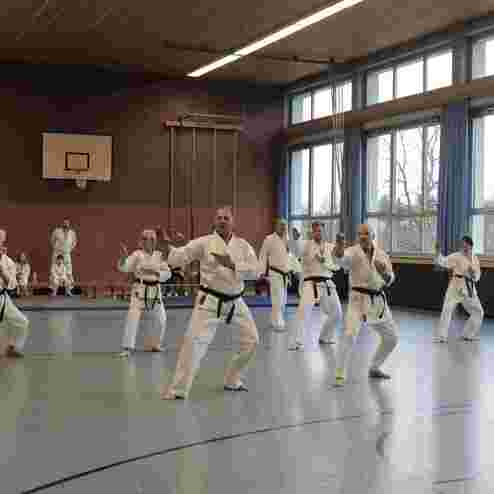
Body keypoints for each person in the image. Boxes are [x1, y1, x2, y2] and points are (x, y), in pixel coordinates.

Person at [161, 206, 259, 400]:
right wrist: (167, 248)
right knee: (193, 343)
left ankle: (233, 379)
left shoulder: (243, 246)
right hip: (210, 300)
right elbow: (181, 256)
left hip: (235, 301)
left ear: (233, 222)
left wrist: (232, 264)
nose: (222, 220)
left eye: (226, 218)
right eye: (219, 218)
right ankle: (178, 390)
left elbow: (256, 272)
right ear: (215, 222)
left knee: (252, 341)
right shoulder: (204, 242)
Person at [332, 225, 398, 387]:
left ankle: (374, 367)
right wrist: (339, 247)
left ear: (373, 236)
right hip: (358, 300)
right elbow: (340, 259)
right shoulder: (352, 252)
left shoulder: (382, 255)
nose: (362, 236)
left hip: (377, 302)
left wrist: (384, 273)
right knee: (349, 335)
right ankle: (340, 373)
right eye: (360, 234)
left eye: (366, 233)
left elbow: (390, 279)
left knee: (392, 338)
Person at [288, 222, 342, 350]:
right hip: (310, 283)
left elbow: (337, 266)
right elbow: (297, 251)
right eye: (316, 231)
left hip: (327, 283)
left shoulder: (330, 247)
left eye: (320, 230)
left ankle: (325, 336)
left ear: (324, 231)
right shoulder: (306, 245)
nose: (318, 233)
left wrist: (326, 261)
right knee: (303, 311)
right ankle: (297, 341)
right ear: (312, 233)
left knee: (337, 313)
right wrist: (296, 239)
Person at [118, 229, 171, 357]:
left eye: (152, 239)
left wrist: (156, 273)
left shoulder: (159, 256)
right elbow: (125, 268)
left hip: (155, 290)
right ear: (142, 241)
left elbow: (168, 274)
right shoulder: (137, 254)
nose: (149, 242)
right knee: (133, 318)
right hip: (139, 290)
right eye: (146, 239)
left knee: (161, 319)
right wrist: (123, 258)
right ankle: (127, 348)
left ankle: (154, 344)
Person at [434, 235, 483, 342]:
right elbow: (444, 261)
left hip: (469, 287)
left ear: (470, 245)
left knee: (478, 312)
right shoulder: (457, 256)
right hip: (455, 286)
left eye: (465, 245)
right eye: (462, 244)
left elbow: (478, 274)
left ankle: (468, 334)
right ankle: (441, 336)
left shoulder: (475, 258)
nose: (463, 247)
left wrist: (474, 275)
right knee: (447, 309)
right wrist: (438, 253)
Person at [0, 229, 30, 358]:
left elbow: (12, 284)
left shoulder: (8, 262)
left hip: (3, 298)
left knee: (22, 322)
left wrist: (2, 272)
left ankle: (11, 347)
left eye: (1, 240)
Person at [258, 218, 290, 331]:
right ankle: (278, 322)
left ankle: (273, 319)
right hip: (275, 273)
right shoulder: (269, 239)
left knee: (283, 300)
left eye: (284, 225)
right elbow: (263, 255)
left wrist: (293, 270)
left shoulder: (287, 239)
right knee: (277, 298)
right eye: (281, 225)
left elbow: (290, 256)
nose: (283, 227)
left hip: (285, 274)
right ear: (276, 226)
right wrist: (261, 272)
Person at [50, 219, 77, 295]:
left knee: (69, 271)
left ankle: (69, 290)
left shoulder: (72, 233)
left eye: (67, 223)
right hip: (57, 253)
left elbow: (74, 242)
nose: (66, 224)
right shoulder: (57, 231)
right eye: (64, 223)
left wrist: (69, 249)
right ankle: (54, 290)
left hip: (66, 253)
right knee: (54, 270)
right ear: (62, 224)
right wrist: (56, 248)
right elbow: (52, 240)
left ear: (69, 224)